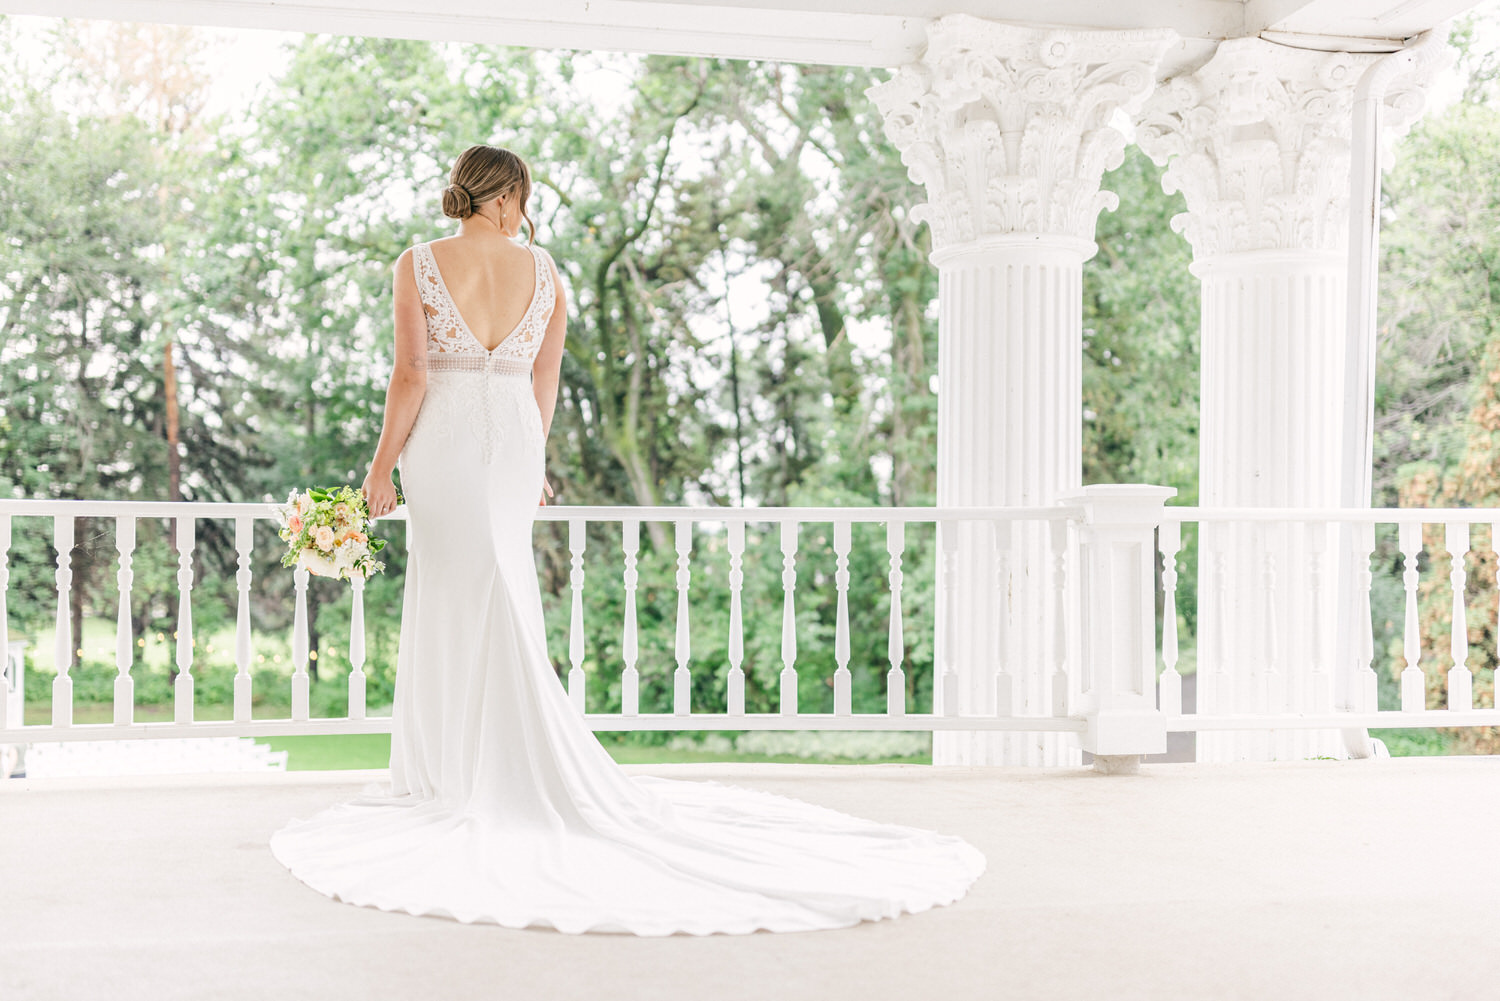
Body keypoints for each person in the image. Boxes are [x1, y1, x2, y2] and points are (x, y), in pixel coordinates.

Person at [268, 144, 985, 936]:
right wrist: (532, 458)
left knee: (455, 593)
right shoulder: (546, 274)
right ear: (509, 195)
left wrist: (380, 470)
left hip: (441, 445)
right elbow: (543, 381)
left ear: (466, 193)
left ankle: (458, 775)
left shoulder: (418, 262)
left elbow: (411, 374)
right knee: (500, 590)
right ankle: (484, 765)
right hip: (511, 442)